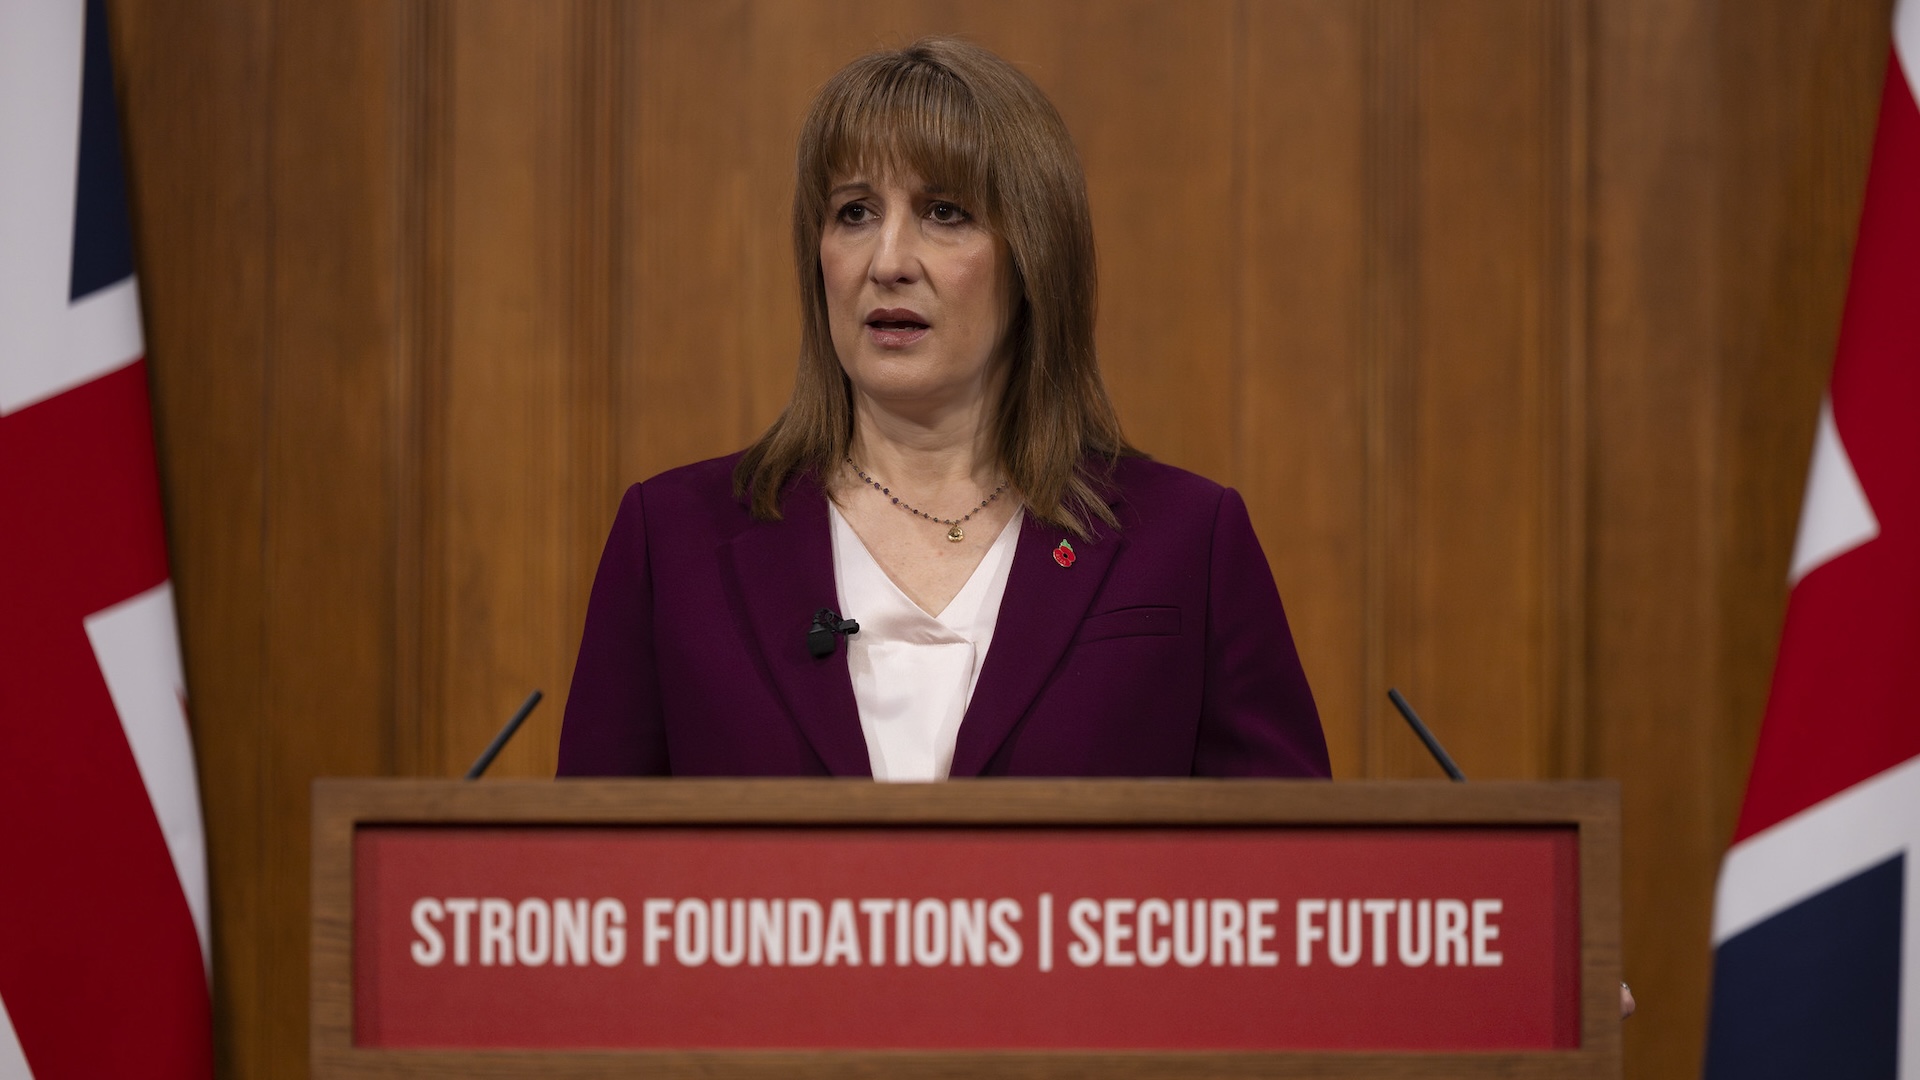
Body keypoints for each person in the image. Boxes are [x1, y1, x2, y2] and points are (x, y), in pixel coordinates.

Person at [557, 37, 1328, 780]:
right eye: (854, 212)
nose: (887, 262)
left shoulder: (1187, 542)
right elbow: (587, 883)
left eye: (945, 212)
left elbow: (1290, 881)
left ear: (1034, 255)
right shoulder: (674, 541)